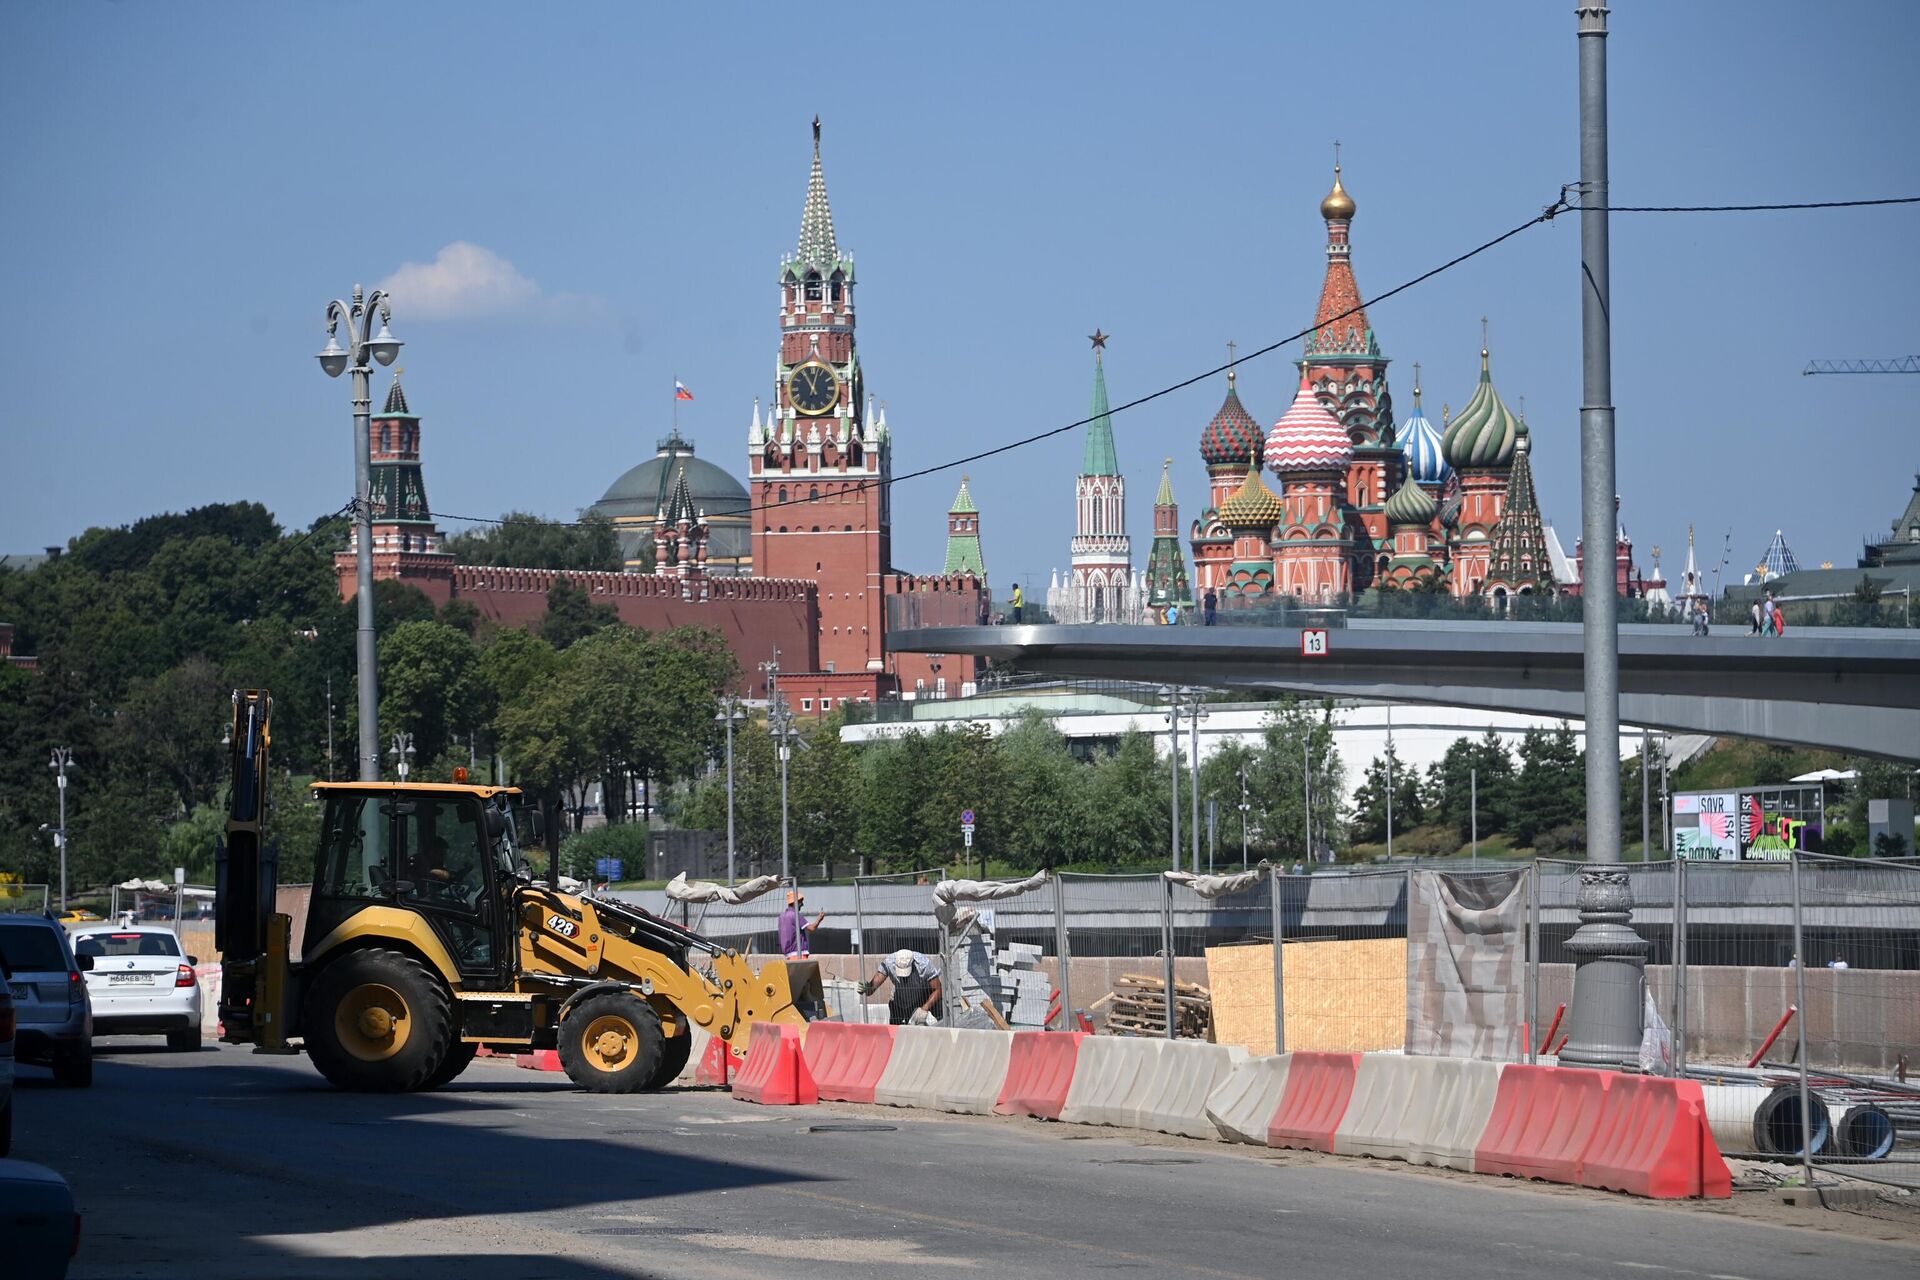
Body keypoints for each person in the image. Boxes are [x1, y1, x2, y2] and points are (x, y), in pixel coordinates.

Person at [860, 948, 943, 1025]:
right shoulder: (889, 962)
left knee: (940, 1008)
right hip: (900, 1000)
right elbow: (873, 986)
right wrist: (866, 988)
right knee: (895, 1030)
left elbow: (938, 989)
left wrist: (925, 1008)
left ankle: (946, 1028)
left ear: (913, 964)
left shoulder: (924, 964)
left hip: (921, 994)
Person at [776, 890, 824, 959]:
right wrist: (819, 919)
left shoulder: (782, 916)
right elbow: (812, 928)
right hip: (799, 954)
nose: (802, 904)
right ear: (795, 902)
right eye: (800, 901)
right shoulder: (795, 915)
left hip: (788, 955)